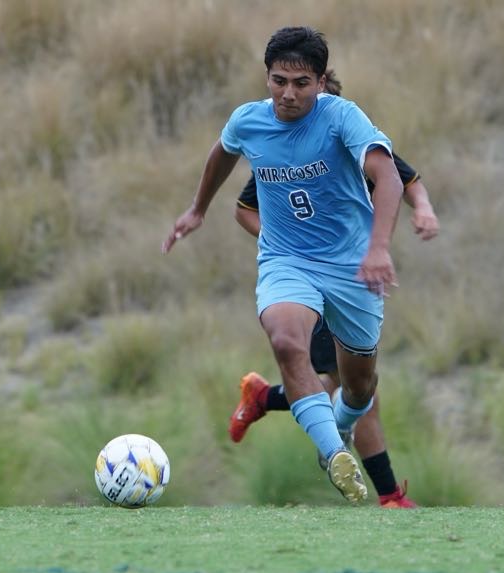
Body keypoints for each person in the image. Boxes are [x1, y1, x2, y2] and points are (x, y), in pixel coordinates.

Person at [162, 26, 405, 503]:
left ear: (319, 81)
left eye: (300, 83)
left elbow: (390, 177)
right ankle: (334, 453)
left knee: (359, 386)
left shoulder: (342, 118)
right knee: (286, 339)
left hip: (352, 265)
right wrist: (197, 209)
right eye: (278, 81)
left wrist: (378, 248)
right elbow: (222, 155)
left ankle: (341, 423)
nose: (288, 94)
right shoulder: (249, 121)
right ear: (267, 77)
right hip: (286, 259)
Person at [230, 70, 438, 508]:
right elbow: (244, 210)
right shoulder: (284, 152)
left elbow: (406, 180)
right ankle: (386, 495)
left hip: (354, 278)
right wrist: (287, 246)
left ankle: (265, 397)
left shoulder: (356, 140)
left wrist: (424, 210)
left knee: (351, 385)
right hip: (309, 280)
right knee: (350, 387)